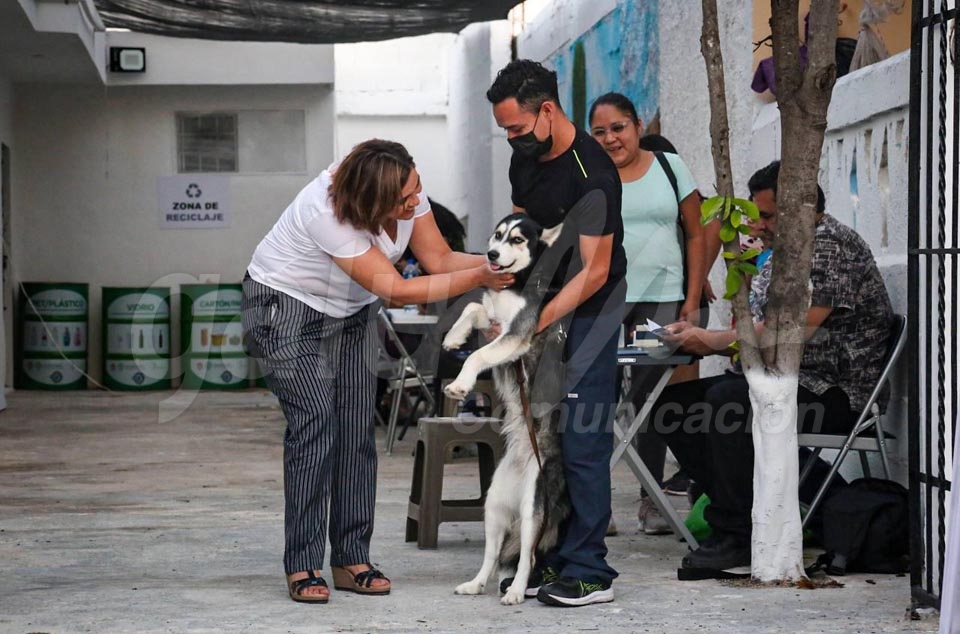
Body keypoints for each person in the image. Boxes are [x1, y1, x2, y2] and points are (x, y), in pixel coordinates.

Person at [241, 139, 512, 604]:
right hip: (284, 306)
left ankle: (351, 558)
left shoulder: (405, 188)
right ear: (372, 199)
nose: (415, 201)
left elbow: (441, 260)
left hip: (350, 311)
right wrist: (481, 278)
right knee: (315, 422)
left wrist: (501, 264)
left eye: (417, 189)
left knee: (355, 428)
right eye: (405, 198)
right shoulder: (325, 212)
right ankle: (303, 563)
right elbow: (396, 289)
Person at [650, 160, 894, 571]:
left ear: (800, 209)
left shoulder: (831, 247)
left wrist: (708, 341)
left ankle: (736, 535)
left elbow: (792, 330)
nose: (758, 225)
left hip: (835, 394)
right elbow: (757, 325)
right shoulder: (782, 250)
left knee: (728, 402)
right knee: (674, 405)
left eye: (767, 216)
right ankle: (747, 513)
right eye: (756, 215)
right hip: (786, 380)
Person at [487, 59, 626, 606]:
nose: (511, 139)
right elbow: (520, 236)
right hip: (540, 306)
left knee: (583, 440)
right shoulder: (524, 160)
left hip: (591, 313)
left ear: (547, 111)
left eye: (517, 128)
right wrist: (509, 304)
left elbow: (594, 271)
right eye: (504, 131)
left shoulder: (594, 173)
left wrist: (535, 322)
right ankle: (546, 557)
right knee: (543, 438)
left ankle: (590, 570)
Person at [588, 93, 706, 535]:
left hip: (661, 300)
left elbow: (696, 234)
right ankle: (594, 506)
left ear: (637, 126)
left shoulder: (670, 168)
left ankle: (651, 501)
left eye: (618, 128)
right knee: (595, 399)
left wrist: (691, 300)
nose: (610, 139)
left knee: (650, 399)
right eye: (599, 132)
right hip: (603, 300)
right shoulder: (590, 174)